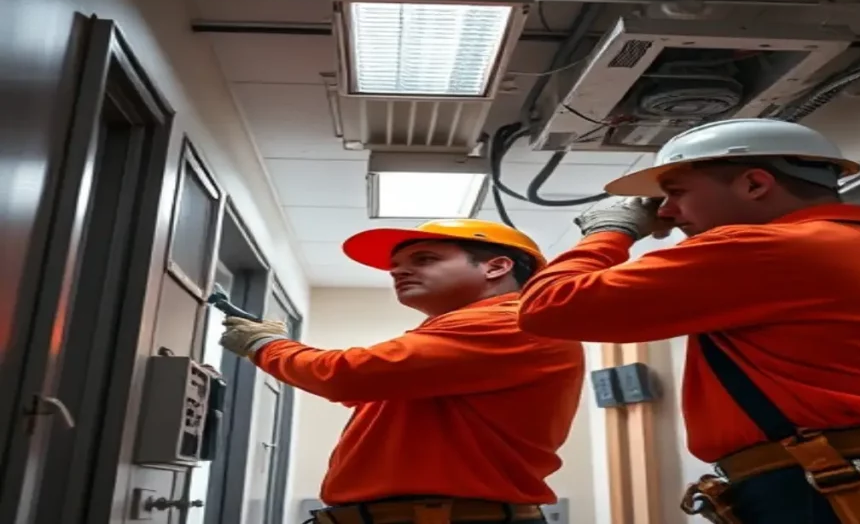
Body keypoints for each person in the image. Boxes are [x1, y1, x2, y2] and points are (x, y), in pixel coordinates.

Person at [516, 118, 860, 523]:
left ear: (756, 183)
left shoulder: (762, 247)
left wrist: (609, 232)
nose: (667, 213)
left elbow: (551, 307)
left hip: (857, 478)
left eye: (677, 191)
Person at [219, 219, 585, 524]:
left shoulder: (513, 322)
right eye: (396, 264)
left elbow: (345, 374)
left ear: (496, 266)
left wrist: (265, 346)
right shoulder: (459, 332)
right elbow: (371, 391)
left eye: (424, 258)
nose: (398, 270)